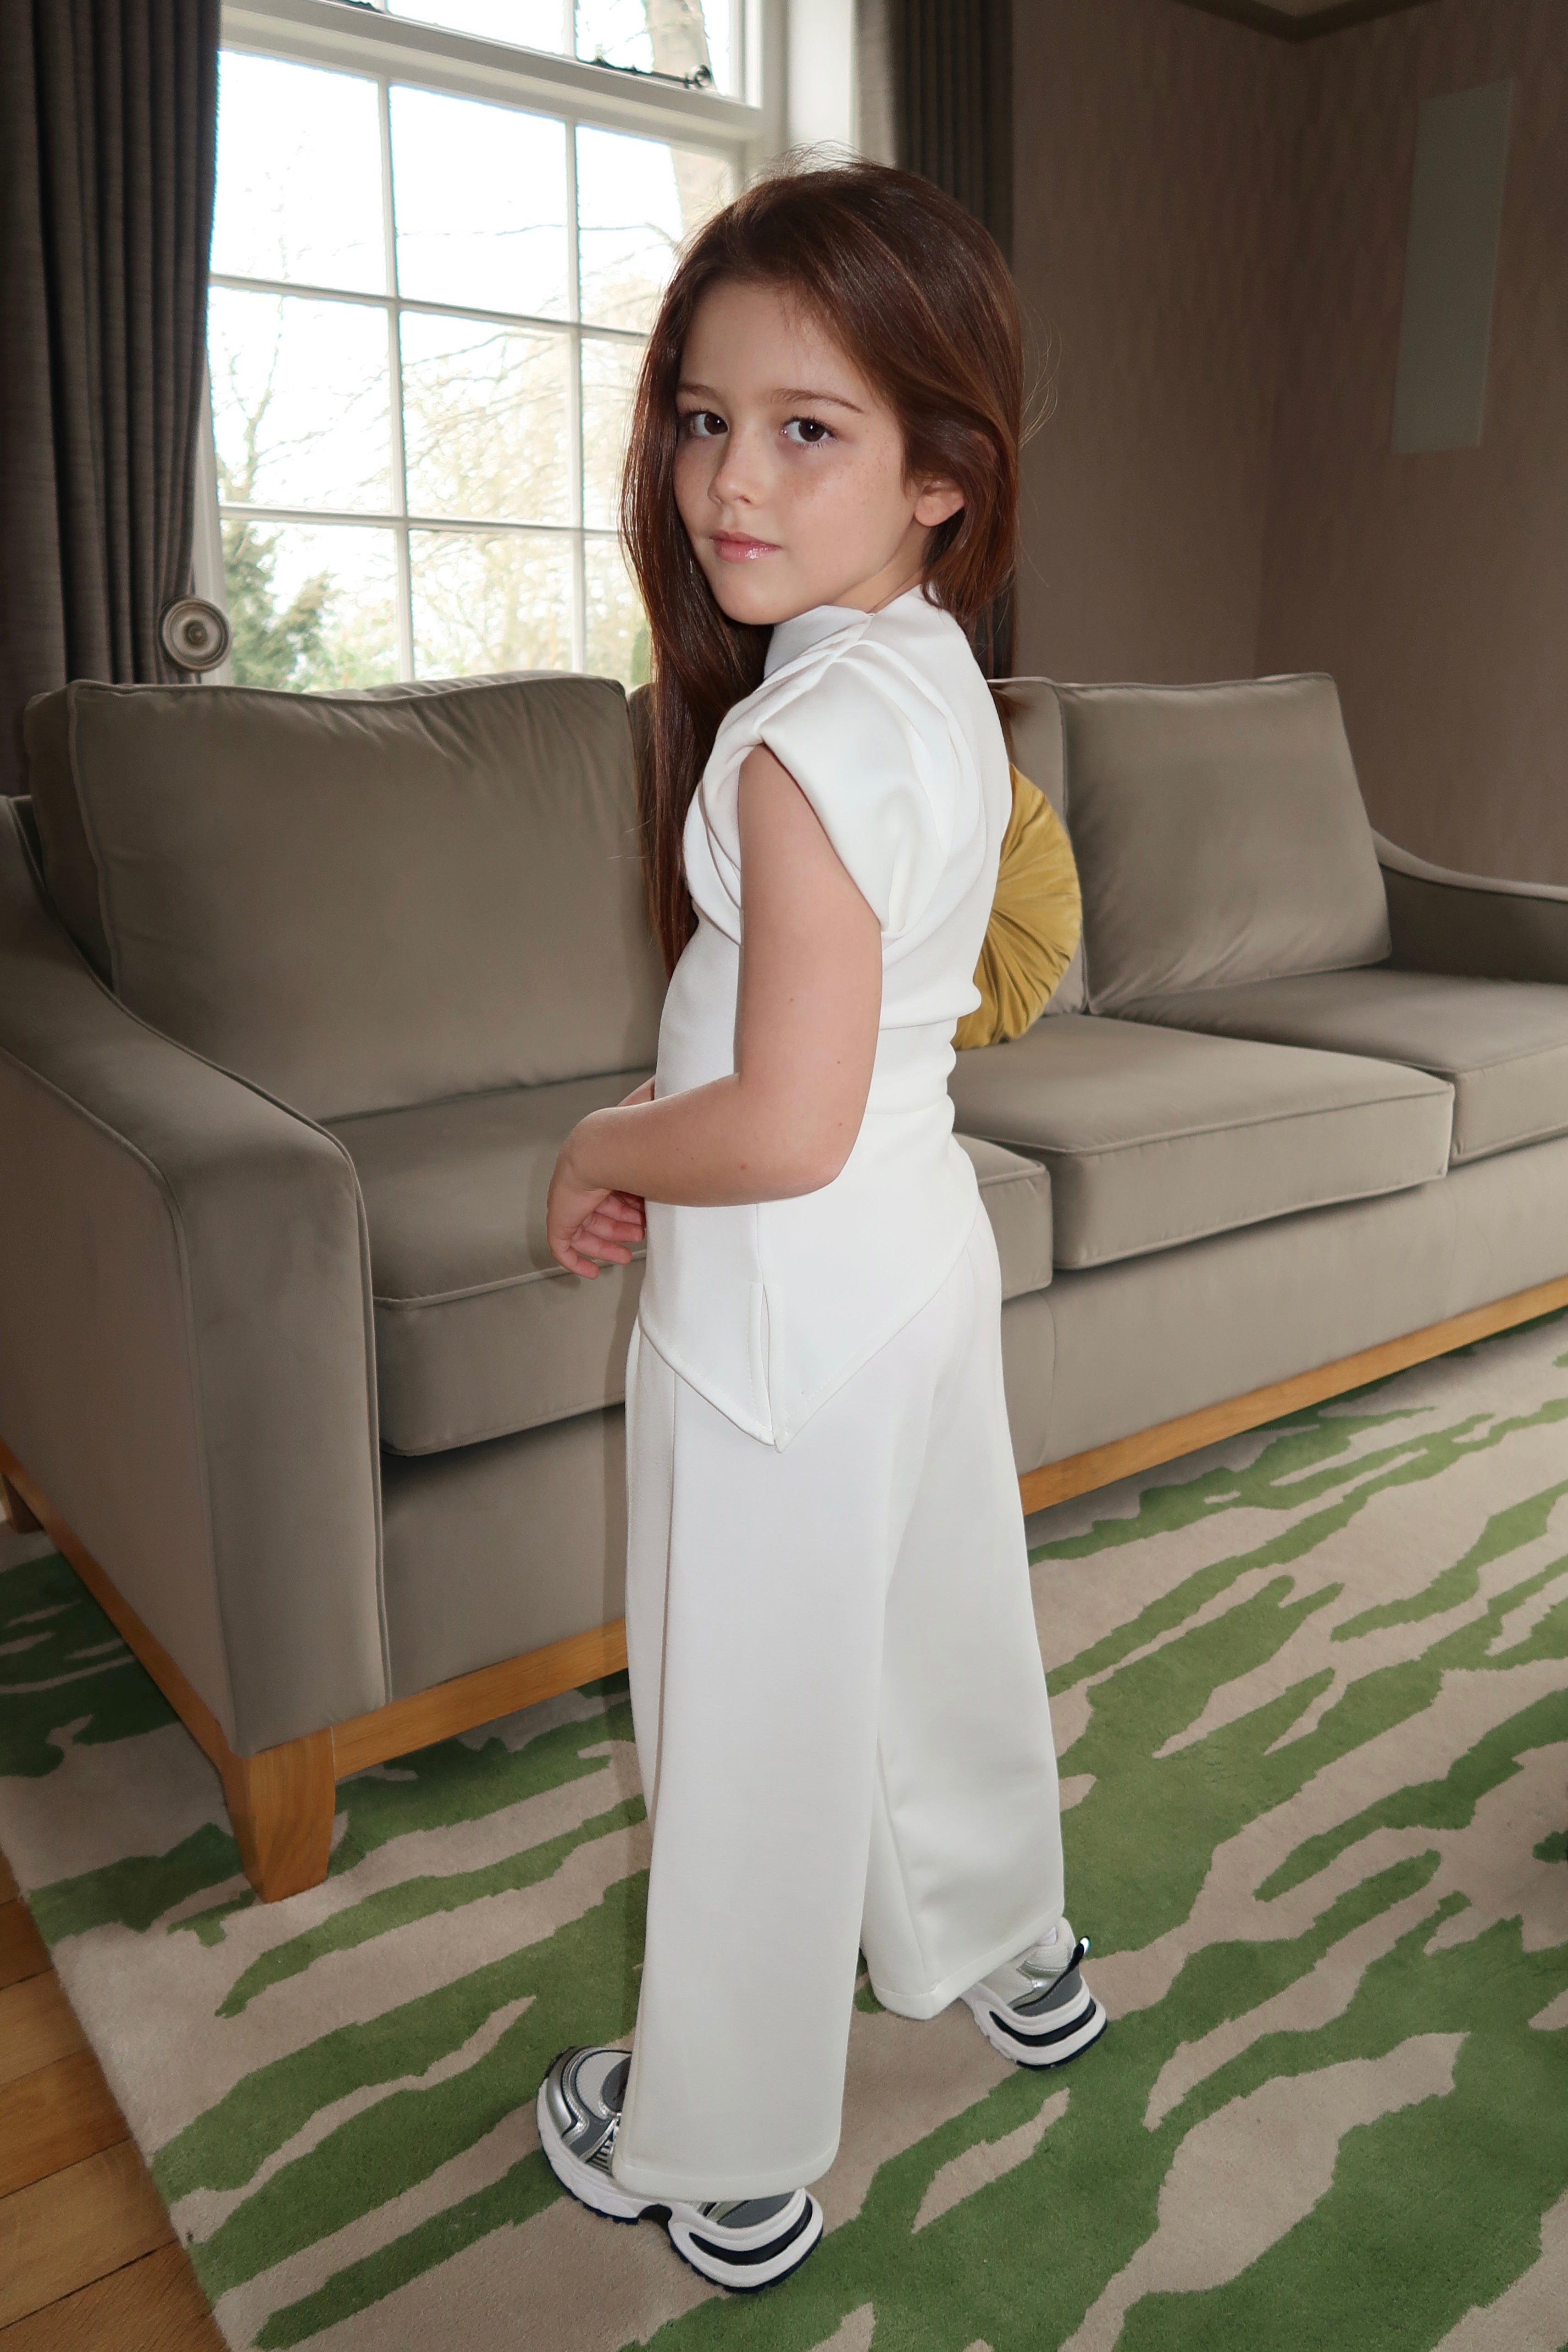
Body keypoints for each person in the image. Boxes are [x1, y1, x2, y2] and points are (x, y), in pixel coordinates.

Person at [535, 160, 1105, 2295]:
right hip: (915, 1256)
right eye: (704, 419)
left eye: (806, 427)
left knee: (749, 1714)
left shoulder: (792, 744)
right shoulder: (930, 671)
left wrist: (600, 1141)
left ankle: (725, 2145)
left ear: (944, 472)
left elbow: (773, 1122)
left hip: (777, 1309)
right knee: (938, 1627)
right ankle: (1018, 1949)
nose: (728, 480)